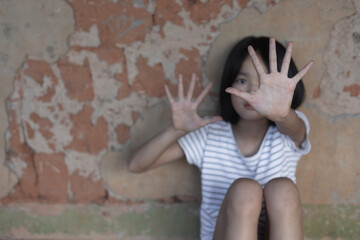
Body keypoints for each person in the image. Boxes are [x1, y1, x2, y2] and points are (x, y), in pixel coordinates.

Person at [128, 36, 313, 240]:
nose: (252, 90)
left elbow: (295, 129)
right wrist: (176, 130)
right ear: (228, 85)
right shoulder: (210, 134)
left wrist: (284, 113)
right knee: (245, 190)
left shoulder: (287, 130)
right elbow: (136, 165)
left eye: (262, 82)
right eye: (242, 80)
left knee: (282, 188)